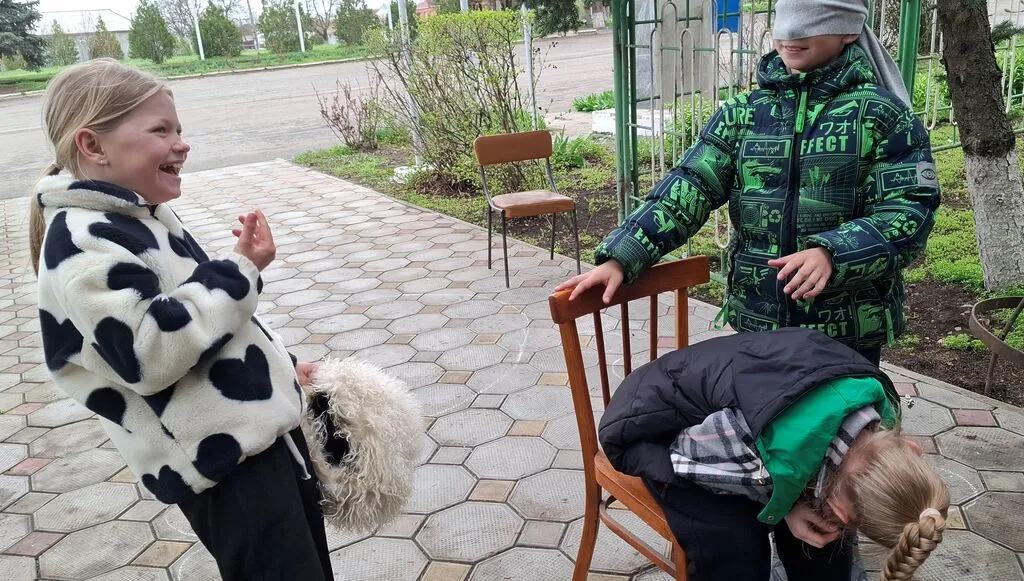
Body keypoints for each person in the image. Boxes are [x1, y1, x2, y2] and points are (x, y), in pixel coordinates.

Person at [29, 59, 333, 581]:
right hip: (222, 466)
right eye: (161, 130)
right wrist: (239, 272)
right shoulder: (84, 240)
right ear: (93, 145)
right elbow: (148, 351)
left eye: (179, 129)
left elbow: (210, 323)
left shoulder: (138, 215)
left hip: (256, 438)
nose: (182, 144)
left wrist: (284, 365)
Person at [557, 0, 941, 365]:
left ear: (849, 30)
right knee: (763, 413)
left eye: (812, 20)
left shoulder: (881, 115)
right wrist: (622, 256)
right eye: (785, 20)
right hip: (757, 321)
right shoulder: (743, 114)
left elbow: (909, 209)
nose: (791, 34)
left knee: (842, 416)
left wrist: (833, 253)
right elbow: (688, 187)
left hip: (848, 333)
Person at [598, 327, 950, 581]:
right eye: (848, 521)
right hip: (651, 432)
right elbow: (687, 458)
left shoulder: (881, 411)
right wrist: (783, 506)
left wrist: (794, 503)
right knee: (737, 546)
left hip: (750, 403)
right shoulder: (746, 449)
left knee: (824, 539)